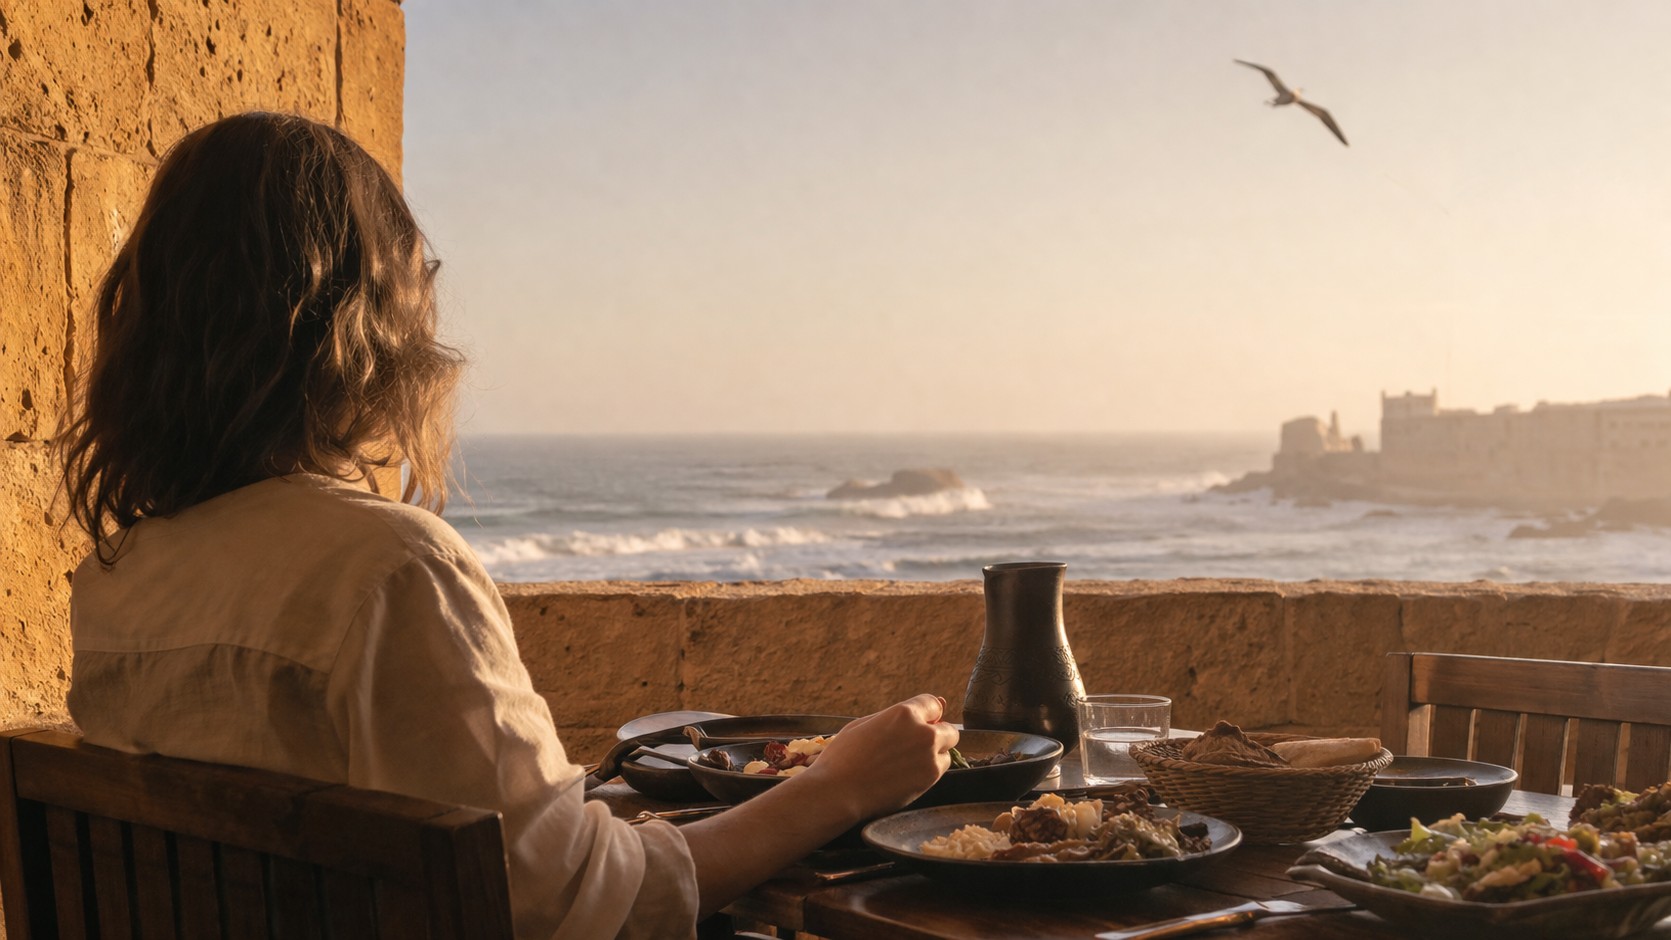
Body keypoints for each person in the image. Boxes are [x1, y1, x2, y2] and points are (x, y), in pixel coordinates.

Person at [56, 112, 959, 939]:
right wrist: (837, 787)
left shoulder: (119, 580)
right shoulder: (390, 571)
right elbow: (573, 902)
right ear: (362, 319)